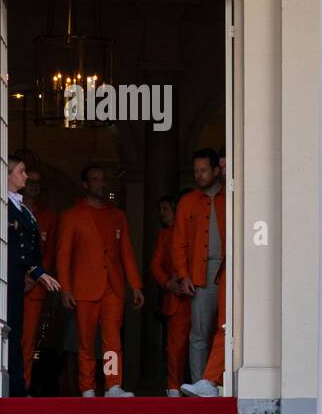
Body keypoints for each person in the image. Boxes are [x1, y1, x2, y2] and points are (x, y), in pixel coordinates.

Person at [56, 164, 144, 397]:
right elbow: (63, 255)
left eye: (102, 179)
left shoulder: (118, 216)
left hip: (113, 287)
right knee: (85, 342)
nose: (100, 183)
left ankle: (113, 385)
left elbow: (127, 252)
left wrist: (135, 285)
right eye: (94, 179)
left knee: (113, 340)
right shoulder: (71, 216)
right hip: (84, 288)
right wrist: (65, 288)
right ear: (85, 184)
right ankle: (87, 388)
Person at [5, 154, 61, 396]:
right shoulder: (3, 204)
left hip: (22, 278)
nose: (25, 177)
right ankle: (14, 389)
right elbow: (16, 245)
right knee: (11, 333)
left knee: (19, 335)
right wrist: (36, 272)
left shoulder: (22, 207)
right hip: (10, 277)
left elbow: (33, 245)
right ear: (7, 174)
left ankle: (19, 388)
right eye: (21, 171)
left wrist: (38, 272)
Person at [175, 149, 226, 397]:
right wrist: (183, 275)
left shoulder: (231, 196)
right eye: (196, 171)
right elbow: (179, 242)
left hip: (228, 271)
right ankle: (198, 385)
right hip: (200, 273)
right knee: (199, 333)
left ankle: (214, 382)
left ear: (217, 170)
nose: (199, 175)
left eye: (204, 170)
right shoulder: (187, 202)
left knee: (225, 328)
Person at [19, 161, 60, 391]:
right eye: (31, 182)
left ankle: (23, 387)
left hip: (35, 289)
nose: (34, 187)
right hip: (12, 285)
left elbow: (51, 253)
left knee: (28, 342)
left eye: (38, 183)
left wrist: (34, 278)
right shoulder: (10, 207)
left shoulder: (50, 217)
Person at [150, 194, 191, 397]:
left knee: (200, 342)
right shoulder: (164, 235)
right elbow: (156, 265)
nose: (161, 213)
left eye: (165, 209)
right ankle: (174, 387)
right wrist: (167, 283)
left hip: (196, 295)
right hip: (175, 298)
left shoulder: (193, 232)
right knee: (175, 348)